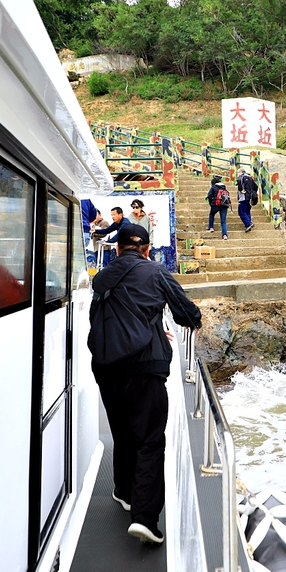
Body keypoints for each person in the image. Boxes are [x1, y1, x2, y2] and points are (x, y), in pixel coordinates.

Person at [88, 223, 202, 544]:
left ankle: (124, 492)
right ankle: (145, 519)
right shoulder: (155, 272)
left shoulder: (102, 279)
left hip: (107, 370)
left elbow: (102, 320)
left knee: (123, 434)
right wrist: (192, 323)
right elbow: (186, 313)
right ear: (147, 249)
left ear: (119, 248)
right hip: (145, 368)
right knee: (150, 440)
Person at [205, 175, 230, 239]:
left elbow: (209, 196)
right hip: (224, 205)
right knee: (223, 221)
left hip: (216, 205)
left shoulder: (213, 187)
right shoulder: (224, 187)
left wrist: (211, 203)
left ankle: (211, 227)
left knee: (211, 214)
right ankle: (224, 235)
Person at [236, 168, 259, 233]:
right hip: (250, 198)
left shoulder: (241, 177)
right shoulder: (250, 178)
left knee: (241, 211)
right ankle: (248, 223)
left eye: (238, 173)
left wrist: (241, 190)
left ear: (241, 172)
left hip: (243, 197)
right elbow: (256, 186)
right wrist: (252, 192)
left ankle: (248, 224)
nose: (237, 174)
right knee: (247, 211)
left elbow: (239, 183)